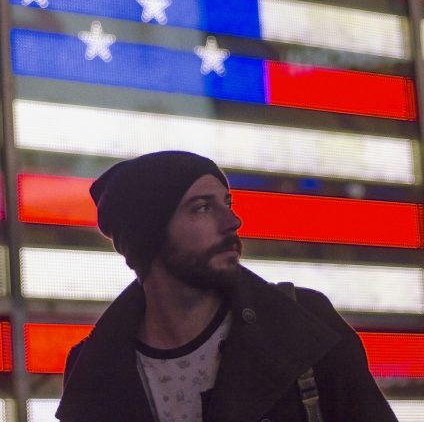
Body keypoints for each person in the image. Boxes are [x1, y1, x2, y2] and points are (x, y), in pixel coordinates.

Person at [56, 151, 398, 422]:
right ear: (149, 236)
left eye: (227, 203)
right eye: (202, 208)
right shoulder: (96, 372)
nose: (232, 221)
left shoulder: (301, 322)